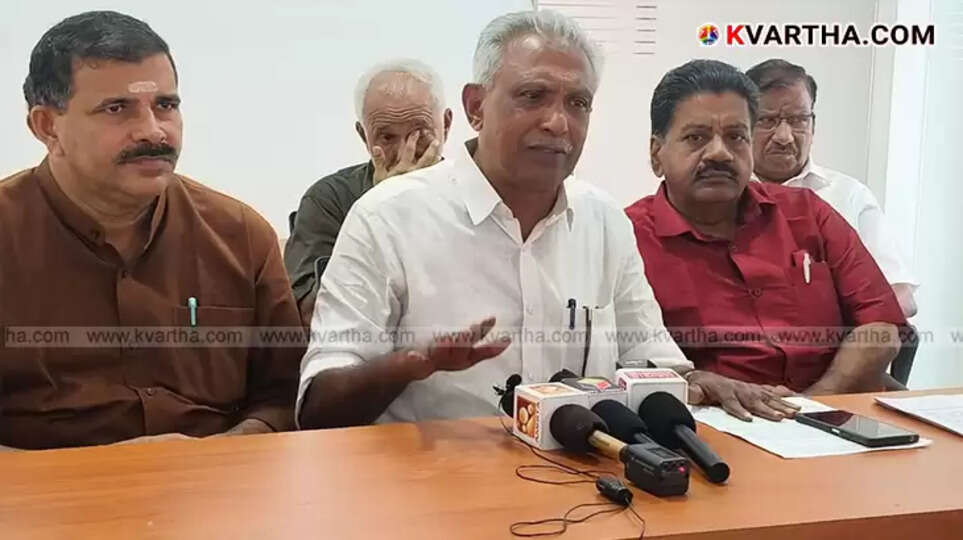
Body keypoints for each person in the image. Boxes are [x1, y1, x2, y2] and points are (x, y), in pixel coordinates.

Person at [297, 10, 690, 430]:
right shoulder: (386, 217)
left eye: (578, 103)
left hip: (586, 482)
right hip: (427, 485)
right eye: (532, 96)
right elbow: (319, 408)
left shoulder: (605, 219)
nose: (558, 123)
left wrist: (696, 381)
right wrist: (409, 367)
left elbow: (651, 356)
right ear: (476, 107)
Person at [0, 11, 302, 449]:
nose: (153, 131)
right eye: (117, 109)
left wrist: (219, 455)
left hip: (216, 492)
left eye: (166, 105)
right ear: (47, 126)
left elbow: (284, 397)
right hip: (36, 505)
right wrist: (85, 475)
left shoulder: (240, 236)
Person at [625, 60, 907, 422]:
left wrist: (810, 409)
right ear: (656, 154)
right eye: (696, 137)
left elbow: (881, 327)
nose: (719, 153)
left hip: (838, 418)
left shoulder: (808, 213)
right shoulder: (628, 238)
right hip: (717, 432)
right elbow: (623, 362)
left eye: (736, 136)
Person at [284, 59, 452, 325]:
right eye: (386, 137)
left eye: (419, 133)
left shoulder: (478, 194)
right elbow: (310, 315)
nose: (403, 152)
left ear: (446, 124)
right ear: (364, 136)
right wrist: (384, 209)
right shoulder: (329, 199)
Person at [746, 58, 918, 318]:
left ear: (813, 124)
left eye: (797, 120)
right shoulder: (719, 197)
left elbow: (901, 297)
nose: (784, 136)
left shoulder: (848, 196)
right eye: (768, 120)